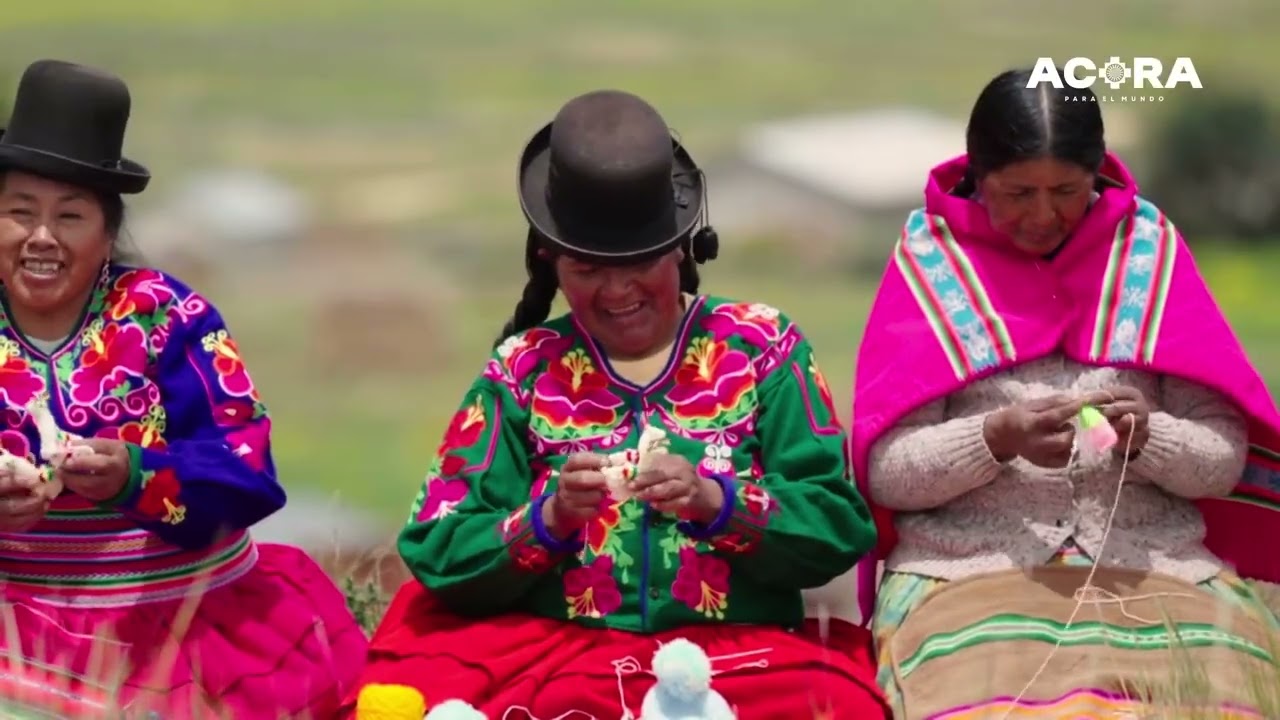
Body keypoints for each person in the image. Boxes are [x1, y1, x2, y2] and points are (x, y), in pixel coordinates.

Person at [341, 90, 889, 719]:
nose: (618, 290)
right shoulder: (522, 370)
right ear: (550, 261)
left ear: (682, 246)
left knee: (842, 706)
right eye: (587, 269)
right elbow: (439, 544)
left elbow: (836, 525)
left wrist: (716, 501)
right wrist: (547, 518)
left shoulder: (762, 347)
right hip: (562, 660)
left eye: (640, 262)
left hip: (737, 662)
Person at [850, 67, 1280, 719]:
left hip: (1161, 569)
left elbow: (1221, 459)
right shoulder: (934, 263)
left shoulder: (1145, 254)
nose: (1043, 215)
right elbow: (888, 473)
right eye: (1018, 192)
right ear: (979, 175)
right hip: (967, 574)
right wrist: (994, 438)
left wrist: (1151, 437)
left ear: (1097, 174)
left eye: (1067, 191)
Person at [0, 59, 367, 717]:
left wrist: (135, 475)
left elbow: (247, 473)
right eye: (19, 213)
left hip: (182, 622)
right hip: (16, 626)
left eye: (71, 215)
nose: (42, 238)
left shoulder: (166, 317)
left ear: (108, 234)